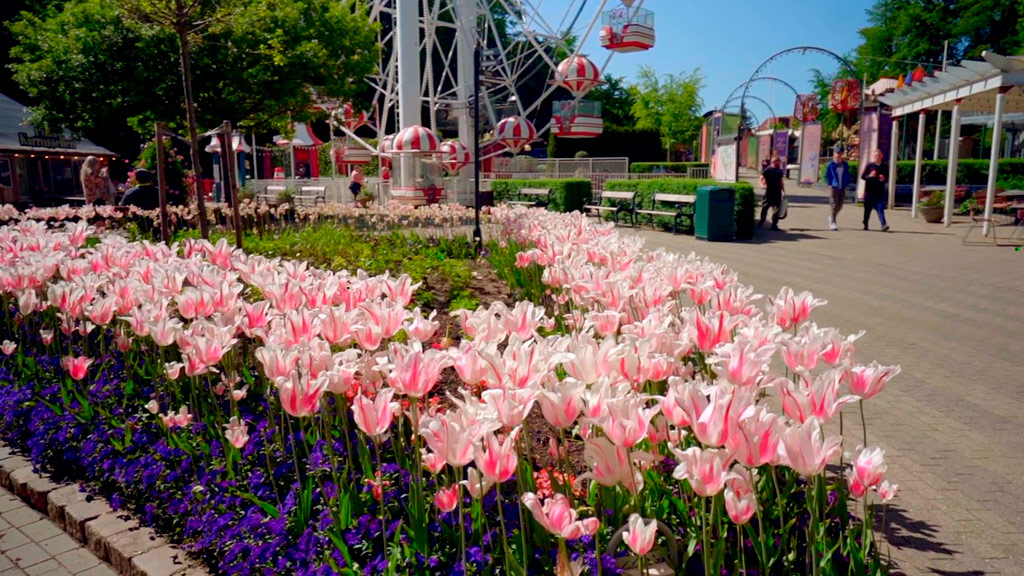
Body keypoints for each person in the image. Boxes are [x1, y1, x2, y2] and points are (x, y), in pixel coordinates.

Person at [861, 149, 890, 231]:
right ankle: (865, 223)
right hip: (869, 191)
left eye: (879, 156)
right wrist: (869, 176)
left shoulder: (884, 166)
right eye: (876, 156)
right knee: (868, 210)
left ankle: (883, 224)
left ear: (881, 156)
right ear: (873, 156)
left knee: (880, 209)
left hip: (880, 191)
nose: (877, 157)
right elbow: (863, 177)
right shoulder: (869, 166)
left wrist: (883, 179)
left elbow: (887, 177)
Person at [824, 149, 853, 230]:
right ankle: (833, 223)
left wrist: (846, 183)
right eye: (837, 154)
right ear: (834, 154)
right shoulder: (831, 164)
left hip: (842, 187)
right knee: (834, 205)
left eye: (840, 154)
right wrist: (829, 184)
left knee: (839, 206)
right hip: (833, 187)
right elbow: (827, 175)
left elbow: (847, 175)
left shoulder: (845, 165)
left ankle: (831, 217)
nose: (839, 155)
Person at [758, 156, 785, 231]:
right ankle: (762, 221)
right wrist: (761, 185)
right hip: (769, 192)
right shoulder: (768, 170)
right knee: (765, 208)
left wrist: (783, 191)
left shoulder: (779, 171)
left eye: (779, 161)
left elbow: (781, 182)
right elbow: (761, 178)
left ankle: (774, 225)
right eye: (777, 161)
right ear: (773, 162)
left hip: (777, 193)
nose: (779, 163)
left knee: (776, 210)